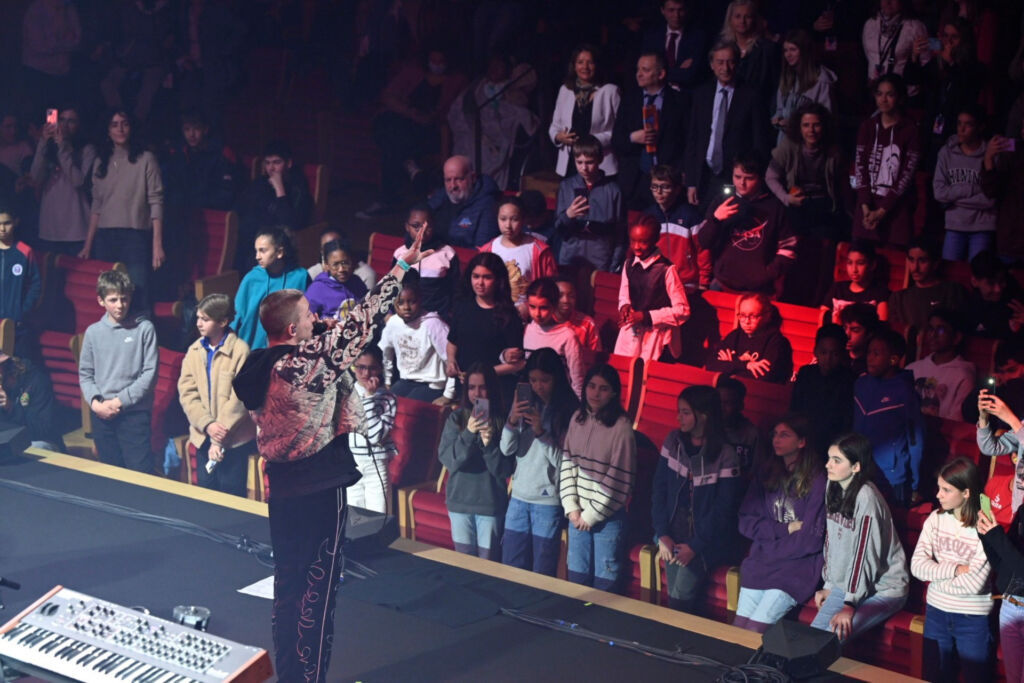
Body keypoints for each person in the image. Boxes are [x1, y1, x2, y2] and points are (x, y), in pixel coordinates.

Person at [230, 227, 429, 683]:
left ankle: (290, 676)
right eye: (308, 315)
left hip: (281, 490)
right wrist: (403, 264)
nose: (315, 317)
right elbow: (365, 318)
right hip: (319, 490)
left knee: (288, 589)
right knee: (317, 596)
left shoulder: (261, 364)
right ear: (292, 328)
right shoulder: (308, 363)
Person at [652, 384, 741, 613]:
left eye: (685, 412)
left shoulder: (725, 454)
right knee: (675, 596)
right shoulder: (673, 441)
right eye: (679, 411)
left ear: (704, 415)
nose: (678, 417)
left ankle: (675, 642)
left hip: (704, 542)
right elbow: (659, 489)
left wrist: (695, 546)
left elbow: (723, 510)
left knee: (680, 597)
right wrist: (662, 533)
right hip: (671, 534)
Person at [811, 433, 908, 643]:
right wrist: (828, 583)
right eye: (829, 458)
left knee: (828, 640)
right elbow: (832, 539)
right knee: (813, 637)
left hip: (884, 588)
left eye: (837, 461)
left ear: (856, 467)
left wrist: (850, 604)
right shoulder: (833, 485)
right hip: (848, 585)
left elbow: (864, 555)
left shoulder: (866, 497)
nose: (828, 465)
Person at [735, 414, 827, 633]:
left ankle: (754, 669)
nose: (777, 439)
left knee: (755, 629)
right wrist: (783, 528)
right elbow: (745, 522)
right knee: (737, 630)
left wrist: (769, 543)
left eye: (785, 435)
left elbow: (810, 541)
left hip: (795, 569)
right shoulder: (766, 473)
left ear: (801, 441)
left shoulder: (818, 479)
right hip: (761, 563)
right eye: (775, 434)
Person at [911, 457, 993, 683]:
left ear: (966, 493)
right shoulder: (935, 519)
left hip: (972, 618)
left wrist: (936, 574)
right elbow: (917, 567)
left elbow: (975, 585)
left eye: (946, 490)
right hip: (936, 612)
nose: (938, 495)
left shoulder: (985, 526)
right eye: (939, 488)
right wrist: (956, 569)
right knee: (934, 678)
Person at [357, 49, 465, 217]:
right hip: (404, 124)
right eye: (433, 60)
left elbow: (448, 116)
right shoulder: (413, 73)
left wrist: (426, 118)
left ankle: (390, 196)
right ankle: (407, 168)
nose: (436, 65)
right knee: (389, 130)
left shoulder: (455, 82)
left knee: (393, 143)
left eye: (440, 61)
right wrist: (412, 113)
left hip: (430, 130)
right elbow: (389, 97)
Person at [79, 110, 164, 318]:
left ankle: (143, 345)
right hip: (105, 236)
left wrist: (157, 244)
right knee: (108, 296)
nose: (120, 128)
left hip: (134, 235)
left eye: (124, 123)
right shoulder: (101, 161)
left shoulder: (146, 159)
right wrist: (87, 246)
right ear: (108, 130)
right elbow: (96, 206)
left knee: (137, 293)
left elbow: (156, 201)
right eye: (115, 124)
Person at [501, 348, 578, 576]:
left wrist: (540, 431)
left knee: (541, 571)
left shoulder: (568, 411)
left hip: (547, 502)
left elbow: (564, 463)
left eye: (544, 380)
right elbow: (506, 448)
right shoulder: (525, 405)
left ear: (556, 378)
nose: (538, 386)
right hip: (518, 497)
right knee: (511, 565)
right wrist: (512, 420)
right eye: (533, 380)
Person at [560, 364, 636, 593]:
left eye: (603, 389)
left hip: (607, 518)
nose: (595, 393)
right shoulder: (577, 418)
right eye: (591, 386)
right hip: (577, 516)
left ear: (613, 393)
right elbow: (567, 464)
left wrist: (591, 515)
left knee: (605, 583)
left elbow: (619, 479)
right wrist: (571, 507)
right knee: (577, 579)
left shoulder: (621, 427)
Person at [78, 271, 158, 473]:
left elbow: (149, 375)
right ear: (101, 301)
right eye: (113, 300)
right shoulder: (93, 332)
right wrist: (96, 404)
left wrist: (118, 401)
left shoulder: (144, 329)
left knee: (141, 475)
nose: (120, 305)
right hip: (102, 415)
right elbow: (86, 374)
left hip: (134, 415)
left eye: (124, 298)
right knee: (111, 475)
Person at [766, 103, 845, 306]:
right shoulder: (789, 147)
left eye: (816, 125)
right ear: (799, 127)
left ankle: (816, 302)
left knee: (820, 261)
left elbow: (842, 184)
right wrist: (786, 198)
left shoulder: (833, 151)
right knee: (795, 258)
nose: (811, 130)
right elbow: (771, 176)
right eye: (806, 125)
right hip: (796, 206)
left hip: (824, 209)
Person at [177, 293, 256, 497]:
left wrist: (219, 438)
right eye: (198, 318)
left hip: (233, 439)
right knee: (206, 490)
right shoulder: (194, 351)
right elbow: (187, 393)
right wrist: (208, 425)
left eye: (205, 319)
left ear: (222, 321)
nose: (199, 324)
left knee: (231, 492)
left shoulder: (240, 350)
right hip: (204, 437)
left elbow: (239, 398)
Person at [438, 362, 512, 560]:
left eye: (482, 387)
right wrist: (469, 433)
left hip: (490, 504)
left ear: (492, 389)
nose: (477, 393)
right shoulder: (456, 418)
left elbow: (504, 469)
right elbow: (450, 460)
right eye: (471, 387)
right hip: (459, 503)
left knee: (488, 566)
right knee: (463, 566)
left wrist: (489, 445)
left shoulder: (503, 420)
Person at [684, 40, 769, 212]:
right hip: (705, 178)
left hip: (737, 177)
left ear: (737, 63)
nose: (725, 68)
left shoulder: (751, 95)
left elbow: (760, 141)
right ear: (712, 65)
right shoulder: (701, 94)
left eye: (730, 62)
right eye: (720, 62)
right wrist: (691, 182)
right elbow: (693, 139)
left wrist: (753, 177)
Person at [697, 152, 797, 297]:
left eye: (749, 178)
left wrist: (766, 274)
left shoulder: (775, 207)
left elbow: (789, 249)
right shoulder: (722, 201)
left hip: (758, 291)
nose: (741, 183)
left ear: (761, 178)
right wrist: (716, 220)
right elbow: (704, 242)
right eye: (737, 177)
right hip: (722, 284)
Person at [853, 329, 924, 507]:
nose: (870, 358)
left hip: (891, 476)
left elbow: (915, 439)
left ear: (893, 359)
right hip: (859, 468)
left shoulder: (905, 392)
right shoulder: (861, 383)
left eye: (876, 354)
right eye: (869, 352)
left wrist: (915, 483)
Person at [447, 54, 538, 190]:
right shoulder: (474, 88)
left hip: (497, 143)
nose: (494, 70)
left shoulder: (513, 90)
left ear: (507, 69)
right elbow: (455, 113)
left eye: (499, 66)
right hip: (470, 138)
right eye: (492, 66)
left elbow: (519, 116)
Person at [610, 52, 688, 210]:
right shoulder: (629, 100)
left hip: (667, 182)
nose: (639, 74)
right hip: (633, 179)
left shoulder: (681, 101)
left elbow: (687, 142)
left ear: (661, 74)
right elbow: (616, 140)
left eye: (645, 70)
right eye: (638, 69)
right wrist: (633, 137)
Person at [852, 74, 921, 248]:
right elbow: (860, 168)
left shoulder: (910, 130)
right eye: (879, 94)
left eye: (889, 94)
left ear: (899, 98)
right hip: (866, 210)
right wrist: (866, 207)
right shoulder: (867, 127)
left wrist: (882, 211)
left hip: (895, 210)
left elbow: (906, 175)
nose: (883, 99)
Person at [446, 252, 524, 404]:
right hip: (465, 388)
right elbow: (452, 342)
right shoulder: (462, 306)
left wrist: (483, 375)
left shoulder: (509, 315)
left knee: (484, 427)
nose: (480, 283)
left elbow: (518, 363)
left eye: (487, 277)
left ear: (498, 280)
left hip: (494, 390)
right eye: (476, 276)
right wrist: (450, 361)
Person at [614, 214, 689, 361]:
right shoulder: (629, 265)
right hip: (632, 331)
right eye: (633, 241)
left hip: (656, 336)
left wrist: (646, 316)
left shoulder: (666, 269)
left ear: (655, 240)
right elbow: (624, 294)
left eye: (643, 242)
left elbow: (683, 310)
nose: (636, 247)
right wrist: (624, 306)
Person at [235, 141, 312, 272]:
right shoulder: (259, 184)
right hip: (255, 240)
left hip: (282, 244)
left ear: (288, 164)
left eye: (276, 162)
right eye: (268, 163)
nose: (271, 168)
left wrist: (280, 190)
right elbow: (243, 212)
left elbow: (291, 224)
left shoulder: (298, 188)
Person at [29, 106, 95, 255]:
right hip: (50, 228)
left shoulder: (87, 150)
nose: (64, 125)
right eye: (62, 120)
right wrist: (43, 142)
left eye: (71, 121)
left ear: (79, 125)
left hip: (76, 229)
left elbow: (78, 181)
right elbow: (35, 177)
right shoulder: (49, 147)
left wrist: (63, 147)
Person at [933, 106, 996, 263]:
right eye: (959, 123)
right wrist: (974, 189)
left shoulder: (991, 155)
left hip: (983, 226)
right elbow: (939, 193)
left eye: (968, 124)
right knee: (950, 271)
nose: (961, 129)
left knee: (980, 274)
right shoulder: (946, 153)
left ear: (980, 127)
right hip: (954, 224)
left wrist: (954, 198)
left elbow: (991, 199)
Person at [555, 135, 625, 272]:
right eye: (579, 162)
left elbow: (620, 234)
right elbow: (558, 229)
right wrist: (568, 215)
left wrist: (613, 265)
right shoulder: (566, 186)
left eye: (589, 162)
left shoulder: (613, 190)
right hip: (571, 256)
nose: (584, 168)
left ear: (600, 160)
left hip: (601, 257)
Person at [234, 228, 310, 350]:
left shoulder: (300, 276)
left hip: (287, 350)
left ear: (279, 252)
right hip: (253, 351)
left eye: (262, 251)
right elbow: (236, 316)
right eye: (256, 251)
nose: (257, 256)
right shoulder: (251, 279)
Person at [380, 279, 455, 402]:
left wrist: (448, 395)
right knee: (385, 404)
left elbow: (451, 361)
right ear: (394, 304)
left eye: (412, 302)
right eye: (401, 303)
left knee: (406, 411)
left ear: (420, 300)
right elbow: (386, 354)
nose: (406, 307)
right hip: (406, 381)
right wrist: (387, 382)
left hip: (432, 384)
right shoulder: (393, 323)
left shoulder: (433, 324)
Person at [480, 197, 557, 316]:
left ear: (523, 220)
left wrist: (529, 307)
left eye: (514, 219)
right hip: (493, 313)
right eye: (503, 219)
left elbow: (550, 288)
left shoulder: (539, 250)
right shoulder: (487, 250)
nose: (508, 226)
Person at [346, 347, 397, 514]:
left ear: (380, 368)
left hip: (376, 465)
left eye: (371, 367)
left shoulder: (387, 398)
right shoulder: (344, 395)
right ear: (353, 366)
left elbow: (374, 436)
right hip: (350, 465)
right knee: (353, 521)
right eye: (361, 367)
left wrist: (369, 398)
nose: (366, 373)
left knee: (377, 522)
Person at [791, 324, 856, 451]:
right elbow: (795, 407)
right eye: (823, 352)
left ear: (842, 354)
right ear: (815, 351)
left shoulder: (849, 379)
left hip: (834, 441)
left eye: (834, 354)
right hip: (805, 437)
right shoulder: (806, 373)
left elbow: (846, 419)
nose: (828, 358)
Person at [644, 164, 708, 292]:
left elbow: (703, 251)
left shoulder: (691, 216)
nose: (659, 192)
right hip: (656, 281)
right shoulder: (648, 216)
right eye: (655, 187)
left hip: (685, 282)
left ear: (677, 189)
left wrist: (704, 282)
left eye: (665, 187)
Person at [162, 110, 240, 212]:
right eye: (187, 129)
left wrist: (193, 201)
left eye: (196, 129)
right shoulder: (179, 154)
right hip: (183, 211)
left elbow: (225, 196)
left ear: (205, 130)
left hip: (210, 210)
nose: (191, 134)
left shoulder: (220, 155)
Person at [888, 236, 968, 335]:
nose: (915, 268)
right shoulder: (898, 298)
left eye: (922, 261)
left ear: (935, 263)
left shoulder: (952, 291)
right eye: (911, 260)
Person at [707, 293, 794, 384]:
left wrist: (730, 364)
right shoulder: (735, 336)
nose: (746, 321)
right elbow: (711, 365)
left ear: (767, 316)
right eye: (742, 315)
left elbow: (763, 378)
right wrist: (745, 365)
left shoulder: (778, 342)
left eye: (753, 316)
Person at [907, 308, 975, 421]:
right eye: (930, 329)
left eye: (941, 330)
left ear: (956, 337)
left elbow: (957, 419)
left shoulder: (963, 375)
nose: (933, 335)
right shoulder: (913, 368)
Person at [392, 205, 459, 317]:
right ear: (407, 227)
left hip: (436, 317)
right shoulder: (400, 254)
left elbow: (455, 290)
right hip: (405, 317)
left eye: (427, 227)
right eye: (416, 226)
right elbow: (392, 288)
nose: (421, 231)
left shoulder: (447, 254)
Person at [772, 29, 835, 145]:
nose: (788, 55)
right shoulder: (787, 78)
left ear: (804, 51)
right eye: (785, 50)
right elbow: (780, 109)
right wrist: (778, 118)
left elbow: (826, 117)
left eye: (793, 50)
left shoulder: (821, 80)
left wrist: (795, 123)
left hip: (807, 145)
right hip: (785, 144)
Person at [523, 278, 584, 396]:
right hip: (531, 398)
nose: (537, 314)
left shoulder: (567, 336)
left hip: (558, 400)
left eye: (544, 308)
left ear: (554, 306)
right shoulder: (527, 330)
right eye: (532, 307)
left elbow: (577, 380)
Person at [427, 155, 500, 248]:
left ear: (473, 178)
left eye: (459, 179)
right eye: (448, 180)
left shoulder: (488, 206)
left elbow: (483, 250)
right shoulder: (440, 197)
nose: (453, 186)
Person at [720, 0, 780, 112]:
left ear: (755, 19)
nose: (742, 21)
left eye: (747, 17)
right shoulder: (722, 47)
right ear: (730, 19)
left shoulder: (767, 48)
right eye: (737, 16)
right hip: (728, 108)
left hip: (759, 109)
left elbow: (776, 85)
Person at [861, 0, 930, 98]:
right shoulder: (870, 24)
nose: (888, 2)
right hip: (875, 92)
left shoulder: (915, 27)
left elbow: (926, 61)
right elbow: (868, 55)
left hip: (902, 94)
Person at [980, 116, 1024, 265]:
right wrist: (989, 158)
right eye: (1023, 127)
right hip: (1010, 241)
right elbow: (991, 191)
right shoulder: (1013, 155)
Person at [0, 351, 64, 451]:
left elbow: (43, 429)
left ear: (3, 365)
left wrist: (11, 409)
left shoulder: (36, 381)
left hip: (42, 441)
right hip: (9, 443)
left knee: (33, 448)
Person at [639, 0, 709, 91]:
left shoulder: (698, 37)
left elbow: (691, 74)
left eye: (681, 10)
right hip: (657, 92)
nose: (676, 15)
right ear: (662, 10)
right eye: (671, 10)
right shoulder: (651, 36)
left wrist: (659, 72)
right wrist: (679, 71)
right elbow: (647, 72)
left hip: (686, 95)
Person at [977, 385, 1024, 517]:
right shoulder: (1022, 425)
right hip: (1017, 503)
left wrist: (1010, 419)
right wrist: (983, 418)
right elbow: (990, 447)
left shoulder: (1018, 425)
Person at [0, 207, 41, 349]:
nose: (2, 229)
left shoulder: (25, 251)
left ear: (15, 222)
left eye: (6, 223)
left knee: (15, 364)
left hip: (16, 323)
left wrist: (22, 312)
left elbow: (35, 285)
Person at [821, 241, 890, 324]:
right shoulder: (837, 288)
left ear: (872, 265)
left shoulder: (880, 292)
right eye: (849, 263)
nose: (854, 270)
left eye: (860, 263)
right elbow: (823, 316)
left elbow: (882, 325)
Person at [965, 250, 1024, 341]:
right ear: (975, 282)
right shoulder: (969, 307)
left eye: (1001, 281)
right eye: (991, 283)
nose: (998, 289)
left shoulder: (1017, 301)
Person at [305, 238, 368, 321]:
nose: (341, 269)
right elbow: (306, 319)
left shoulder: (356, 282)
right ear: (327, 265)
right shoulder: (317, 289)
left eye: (345, 263)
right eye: (335, 265)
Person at [717, 376, 761, 476]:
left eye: (727, 403)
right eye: (718, 402)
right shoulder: (705, 429)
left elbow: (757, 474)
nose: (721, 408)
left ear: (740, 405)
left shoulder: (752, 435)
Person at [307, 227, 376, 292]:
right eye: (326, 248)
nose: (341, 269)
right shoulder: (313, 273)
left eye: (335, 246)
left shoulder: (366, 274)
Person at [554, 276, 601, 352]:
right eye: (560, 296)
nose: (566, 300)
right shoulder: (545, 321)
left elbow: (596, 356)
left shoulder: (587, 324)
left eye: (571, 296)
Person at [839, 303, 882, 377]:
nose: (847, 335)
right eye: (844, 328)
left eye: (855, 330)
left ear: (869, 334)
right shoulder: (837, 357)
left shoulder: (872, 364)